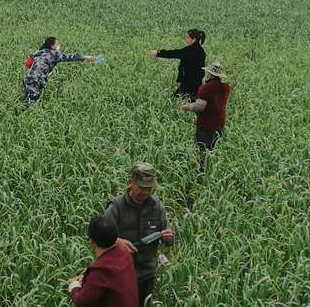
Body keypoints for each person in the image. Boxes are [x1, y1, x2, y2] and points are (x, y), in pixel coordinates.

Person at [104, 163, 174, 307]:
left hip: (146, 275)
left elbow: (170, 238)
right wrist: (117, 242)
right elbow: (100, 239)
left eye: (149, 189)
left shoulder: (157, 206)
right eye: (142, 188)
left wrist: (169, 237)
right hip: (119, 275)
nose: (146, 192)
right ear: (130, 183)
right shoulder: (116, 206)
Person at [68, 215, 139, 307]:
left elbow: (82, 302)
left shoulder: (101, 271)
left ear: (91, 242)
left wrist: (74, 286)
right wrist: (87, 278)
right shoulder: (125, 253)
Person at [180, 61, 231, 172]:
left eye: (208, 73)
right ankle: (210, 171)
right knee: (212, 150)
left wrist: (187, 107)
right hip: (219, 125)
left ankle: (201, 172)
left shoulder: (206, 88)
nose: (206, 74)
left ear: (211, 75)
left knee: (202, 151)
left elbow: (200, 107)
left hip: (206, 126)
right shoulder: (225, 88)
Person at [23, 37, 95, 104]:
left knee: (26, 99)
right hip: (36, 80)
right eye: (57, 44)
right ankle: (27, 113)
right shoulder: (54, 54)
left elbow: (30, 62)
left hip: (27, 77)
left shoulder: (40, 52)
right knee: (33, 103)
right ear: (52, 46)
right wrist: (85, 57)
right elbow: (70, 57)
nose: (58, 45)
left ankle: (21, 111)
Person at [146, 29, 206, 101]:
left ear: (194, 39)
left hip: (188, 83)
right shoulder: (201, 51)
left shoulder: (189, 50)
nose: (186, 40)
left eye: (187, 38)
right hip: (198, 82)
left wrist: (157, 53)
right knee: (192, 102)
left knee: (173, 101)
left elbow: (173, 53)